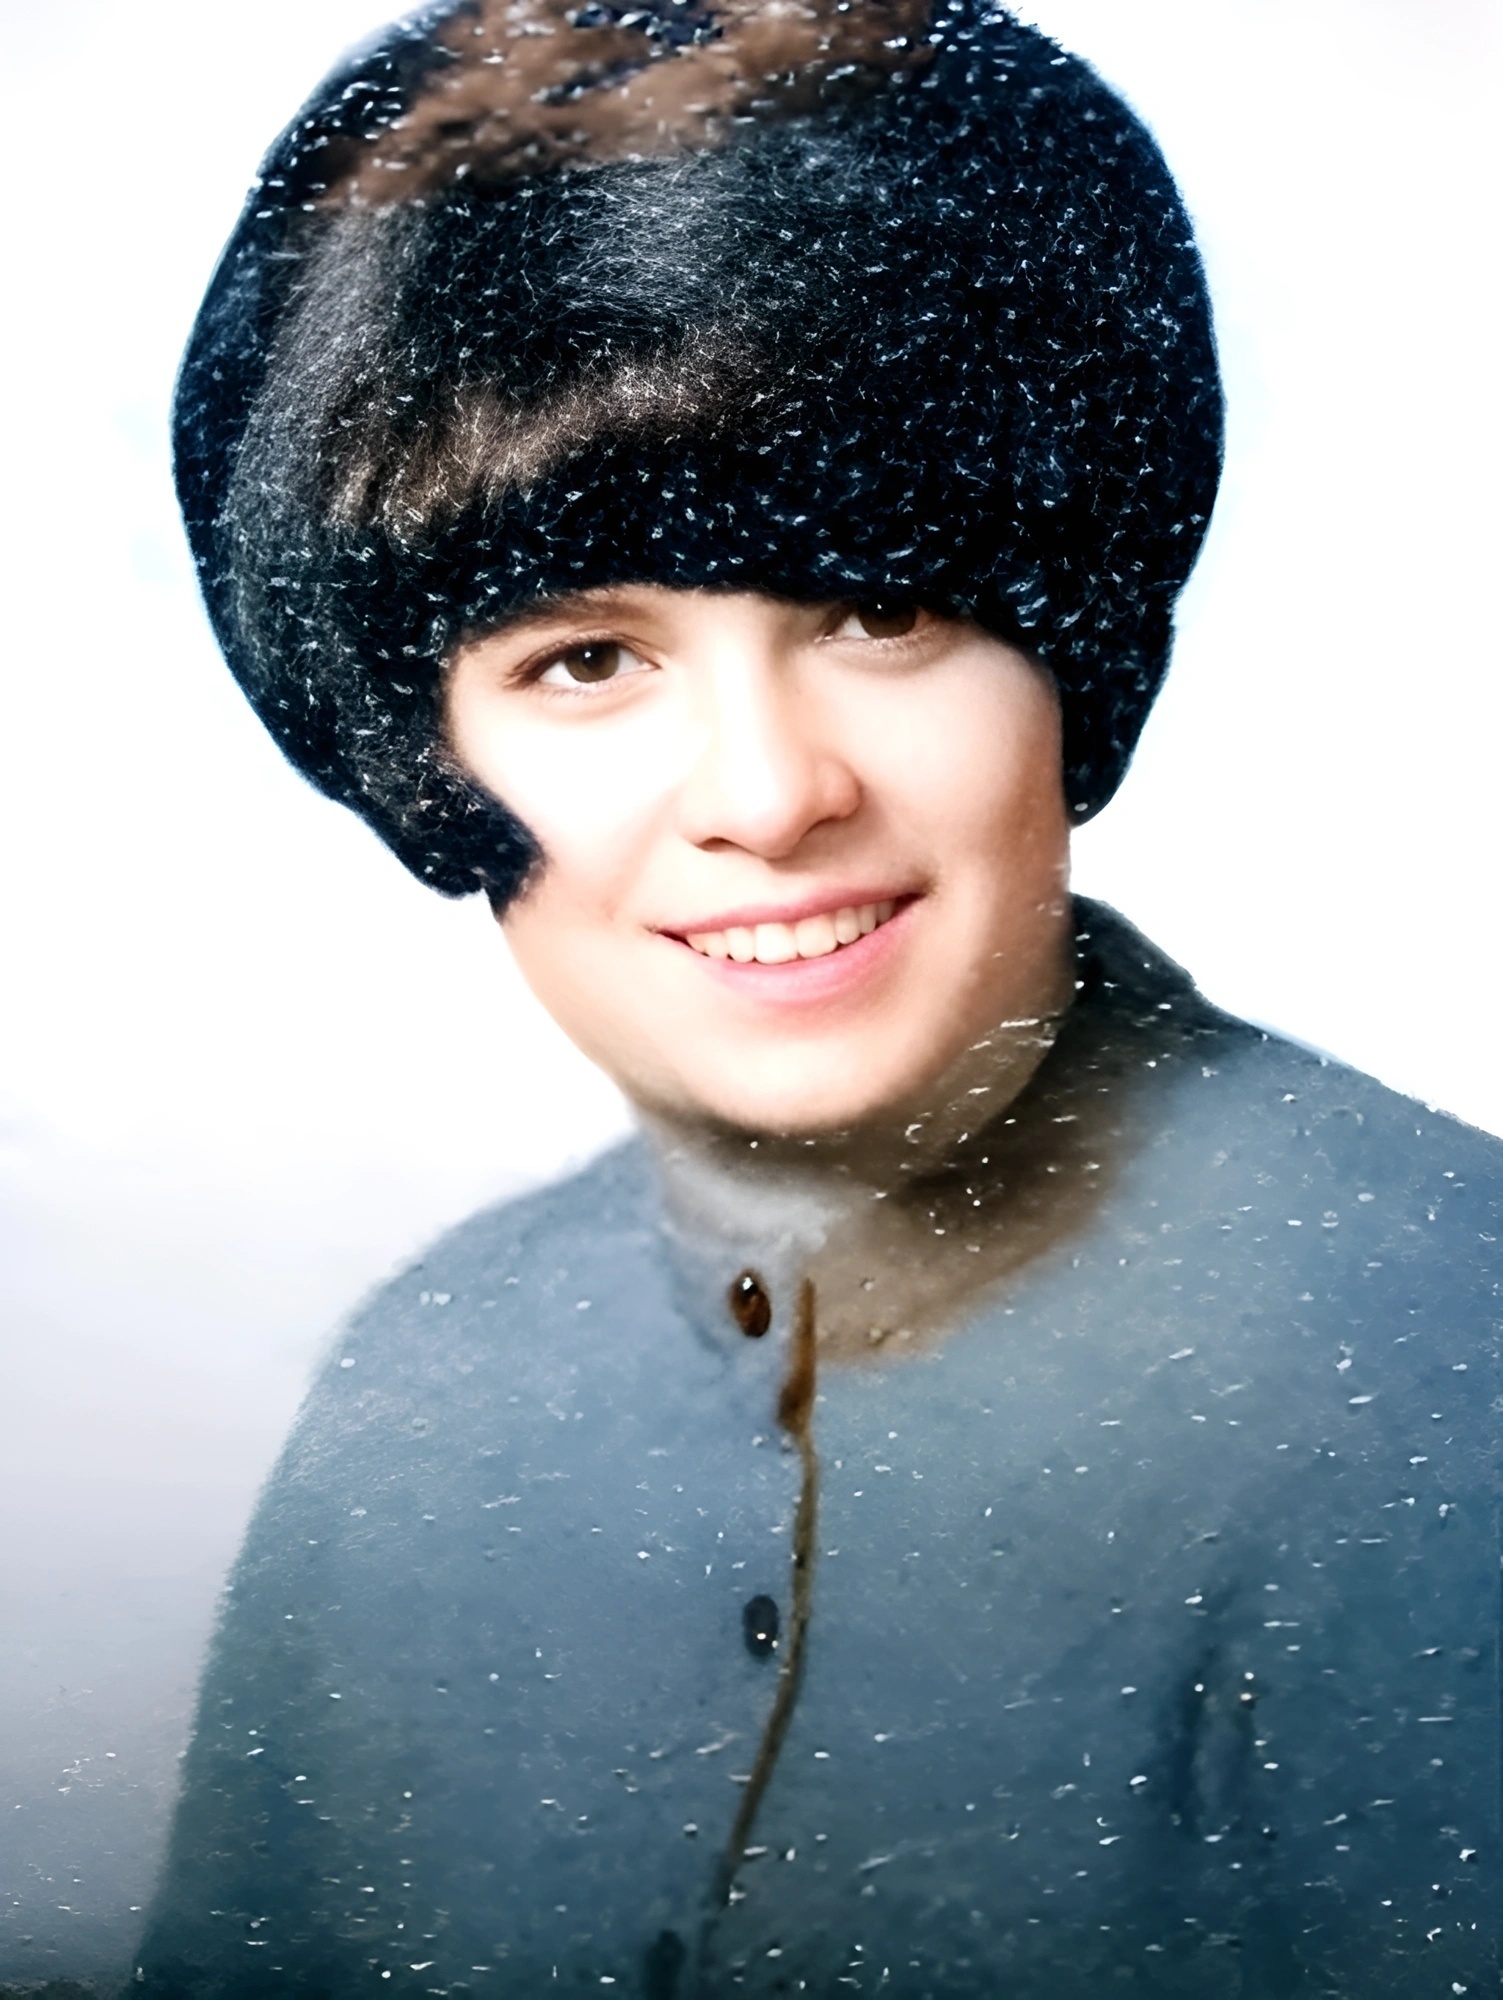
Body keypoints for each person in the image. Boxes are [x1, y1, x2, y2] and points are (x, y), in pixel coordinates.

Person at [133, 2, 1501, 1994]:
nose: (770, 797)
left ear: (1072, 649)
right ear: (417, 758)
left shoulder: (1447, 1355)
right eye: (585, 662)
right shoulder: (425, 1385)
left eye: (879, 608)